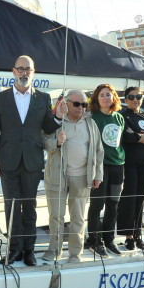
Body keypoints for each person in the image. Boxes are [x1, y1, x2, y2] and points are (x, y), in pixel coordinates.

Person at [0, 55, 65, 266]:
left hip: (32, 160)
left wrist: (57, 117)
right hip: (8, 160)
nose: (24, 73)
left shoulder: (43, 98)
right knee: (11, 207)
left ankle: (29, 251)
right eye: (20, 69)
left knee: (29, 207)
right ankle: (14, 250)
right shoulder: (0, 98)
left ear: (33, 73)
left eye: (27, 69)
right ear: (13, 72)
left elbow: (48, 127)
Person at [43, 89, 104, 263]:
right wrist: (56, 142)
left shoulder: (90, 123)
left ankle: (75, 253)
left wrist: (97, 174)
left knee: (77, 217)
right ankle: (54, 250)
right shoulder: (57, 121)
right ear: (66, 104)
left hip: (82, 177)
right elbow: (44, 143)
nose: (81, 108)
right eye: (77, 104)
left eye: (84, 104)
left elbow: (99, 151)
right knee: (56, 216)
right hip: (57, 176)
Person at [117, 86, 144, 251]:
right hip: (128, 162)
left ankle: (137, 234)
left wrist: (141, 137)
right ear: (126, 99)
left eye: (139, 96)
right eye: (131, 97)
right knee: (129, 197)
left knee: (141, 197)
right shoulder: (123, 116)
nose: (135, 99)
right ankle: (128, 236)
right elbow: (125, 137)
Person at [85, 83, 126, 257]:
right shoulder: (92, 117)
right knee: (97, 204)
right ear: (96, 98)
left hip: (118, 165)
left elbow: (119, 142)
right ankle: (94, 240)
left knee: (113, 204)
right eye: (102, 95)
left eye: (108, 95)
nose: (105, 98)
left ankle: (109, 239)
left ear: (113, 97)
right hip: (100, 167)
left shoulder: (119, 118)